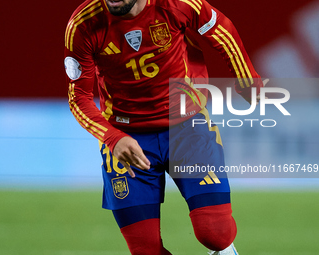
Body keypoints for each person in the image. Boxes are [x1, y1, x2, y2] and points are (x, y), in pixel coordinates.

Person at [64, 0, 263, 254]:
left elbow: (221, 29)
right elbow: (78, 98)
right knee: (145, 250)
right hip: (128, 139)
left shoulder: (176, 4)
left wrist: (246, 76)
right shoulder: (82, 25)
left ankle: (224, 249)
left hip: (187, 126)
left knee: (216, 233)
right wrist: (112, 138)